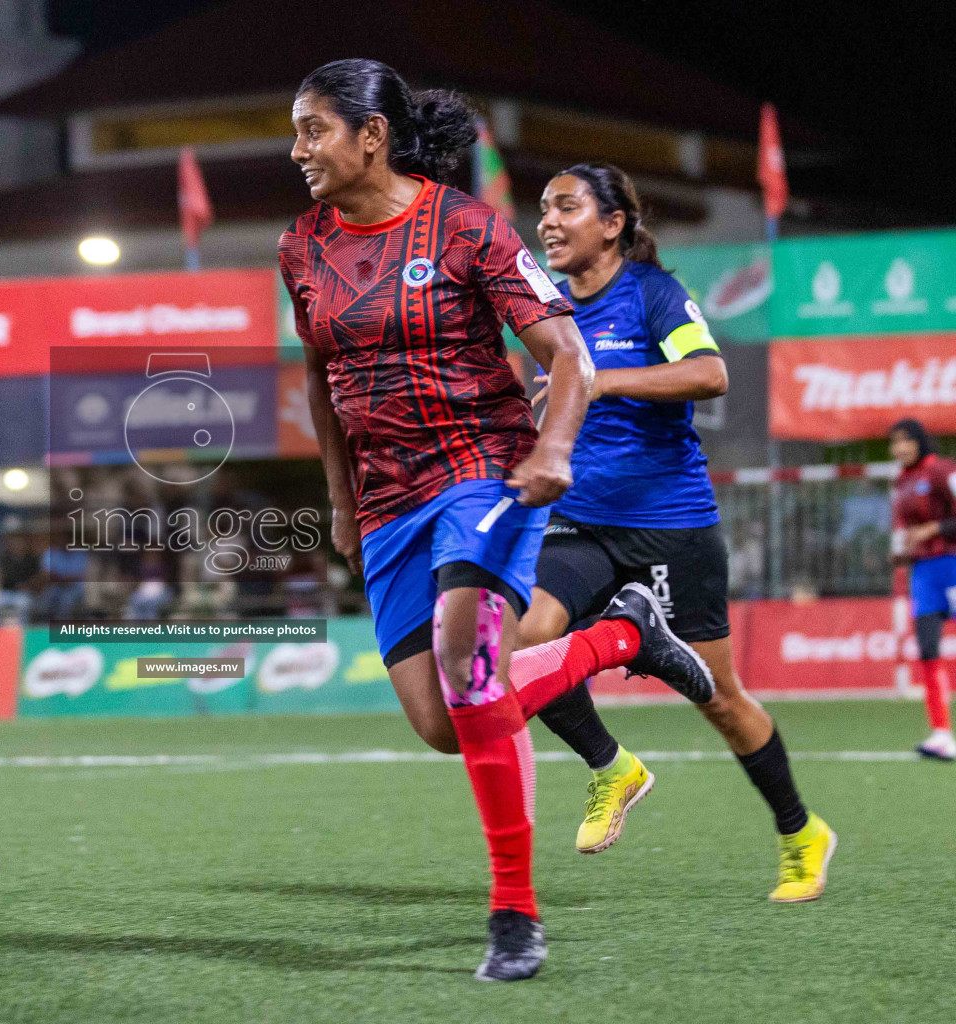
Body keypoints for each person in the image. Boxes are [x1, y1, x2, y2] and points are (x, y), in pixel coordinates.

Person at [280, 61, 715, 982]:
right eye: (296, 130)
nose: (297, 149)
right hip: (389, 498)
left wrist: (551, 452)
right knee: (444, 722)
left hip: (485, 472)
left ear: (372, 136)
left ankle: (514, 914)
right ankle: (622, 635)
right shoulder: (301, 247)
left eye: (314, 129)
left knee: (472, 672)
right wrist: (341, 501)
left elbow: (565, 353)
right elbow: (320, 381)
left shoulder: (468, 225)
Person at [520, 162, 835, 901]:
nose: (548, 222)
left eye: (566, 206)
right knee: (530, 641)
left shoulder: (654, 294)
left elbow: (709, 374)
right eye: (543, 209)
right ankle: (612, 767)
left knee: (719, 699)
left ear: (613, 222)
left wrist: (601, 378)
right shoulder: (550, 313)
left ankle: (800, 832)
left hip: (671, 529)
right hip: (581, 522)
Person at [888, 417, 956, 760]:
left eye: (906, 440)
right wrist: (902, 551)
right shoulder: (901, 482)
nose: (900, 447)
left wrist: (933, 530)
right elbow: (906, 530)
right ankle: (942, 733)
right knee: (928, 648)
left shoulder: (942, 472)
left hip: (952, 564)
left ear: (920, 441)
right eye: (894, 442)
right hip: (924, 573)